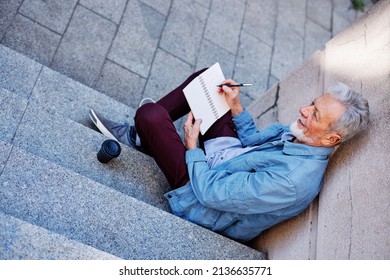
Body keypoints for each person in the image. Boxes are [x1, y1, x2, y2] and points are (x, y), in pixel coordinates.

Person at [89, 68, 369, 242]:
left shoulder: (292, 182)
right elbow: (252, 141)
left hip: (200, 194)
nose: (304, 111)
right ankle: (142, 137)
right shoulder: (305, 135)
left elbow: (211, 193)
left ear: (331, 138)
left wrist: (192, 147)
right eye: (311, 104)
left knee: (150, 115)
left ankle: (144, 131)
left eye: (315, 114)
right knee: (207, 82)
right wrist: (235, 106)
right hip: (229, 159)